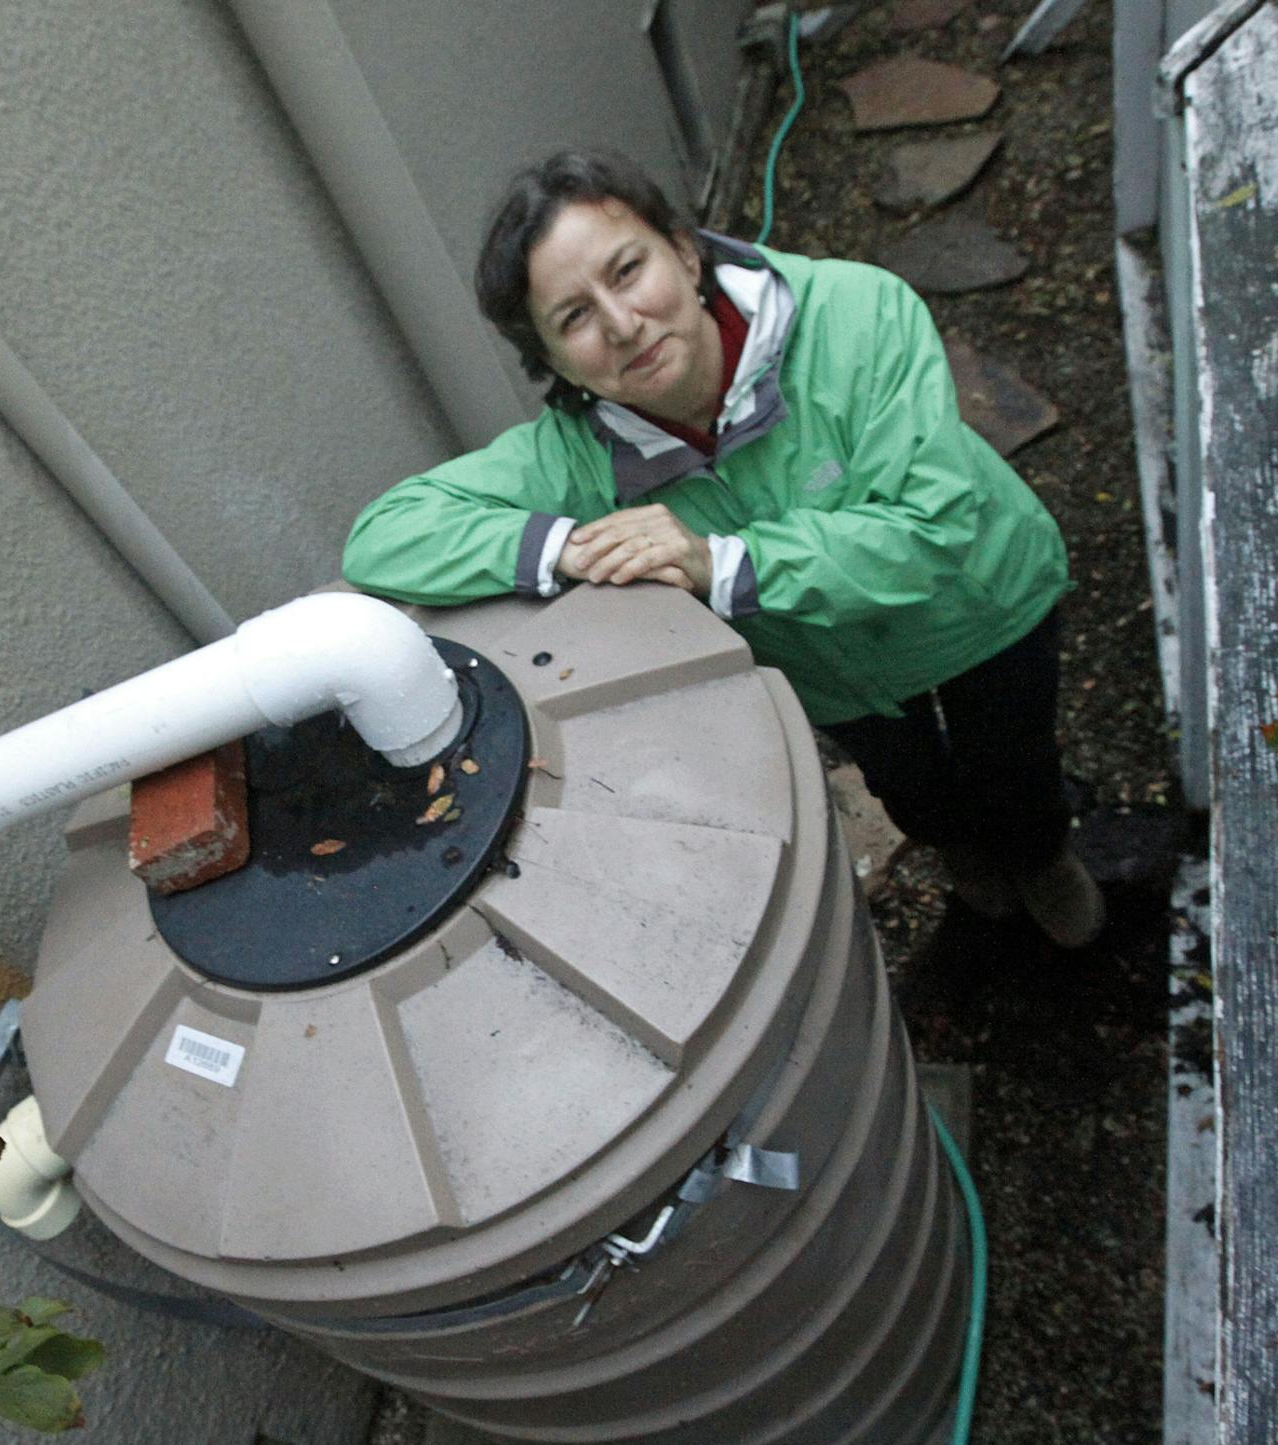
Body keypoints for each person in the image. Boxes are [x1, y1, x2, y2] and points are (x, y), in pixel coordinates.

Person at [342, 150, 1102, 948]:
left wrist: (723, 562)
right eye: (573, 318)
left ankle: (1042, 858)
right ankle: (963, 854)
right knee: (908, 785)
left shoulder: (856, 315)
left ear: (686, 250)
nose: (622, 324)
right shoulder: (577, 454)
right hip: (842, 676)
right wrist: (565, 543)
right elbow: (386, 534)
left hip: (982, 607)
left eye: (628, 270)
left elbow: (931, 528)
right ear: (553, 362)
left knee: (1014, 766)